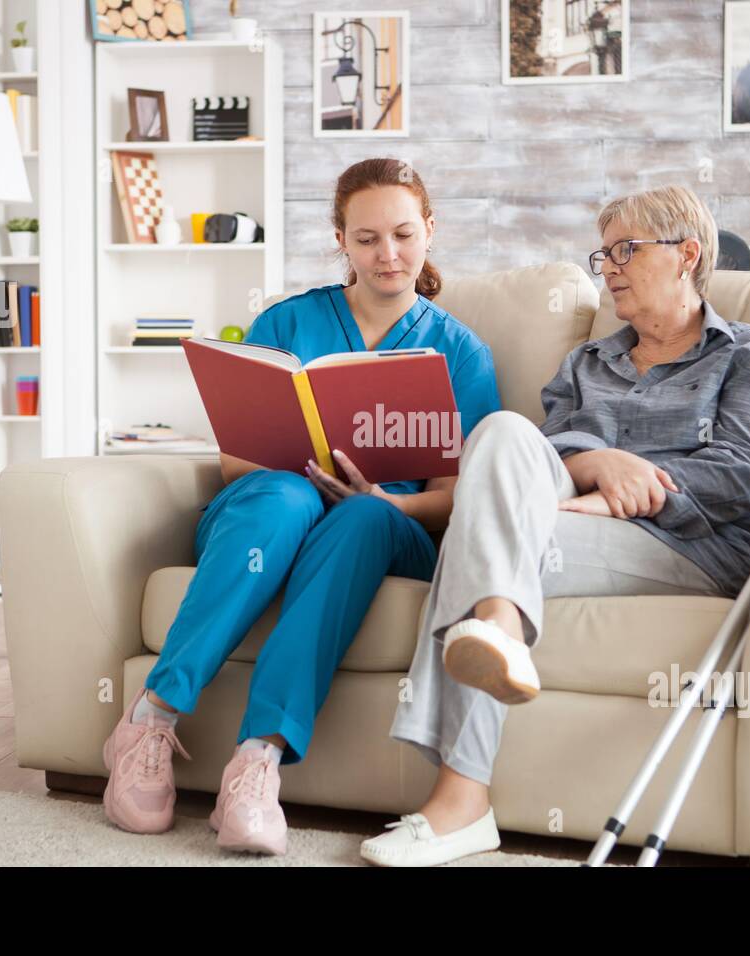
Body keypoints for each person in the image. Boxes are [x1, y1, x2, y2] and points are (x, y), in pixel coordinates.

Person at [361, 185, 750, 867]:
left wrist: (621, 494)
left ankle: (461, 798)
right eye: (604, 255)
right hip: (570, 521)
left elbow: (744, 474)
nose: (610, 267)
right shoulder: (586, 363)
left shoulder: (747, 353)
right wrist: (601, 461)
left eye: (626, 250)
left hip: (695, 546)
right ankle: (498, 630)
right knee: (500, 433)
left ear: (687, 254)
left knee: (490, 533)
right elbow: (546, 452)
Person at [101, 158, 501, 856]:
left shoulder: (461, 352)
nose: (388, 254)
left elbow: (463, 497)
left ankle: (256, 762)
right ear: (341, 240)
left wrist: (384, 500)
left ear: (430, 232)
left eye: (404, 235)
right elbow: (235, 462)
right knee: (285, 499)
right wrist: (307, 478)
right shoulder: (286, 322)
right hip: (274, 510)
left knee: (363, 516)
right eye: (368, 237)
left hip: (389, 528)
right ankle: (149, 721)